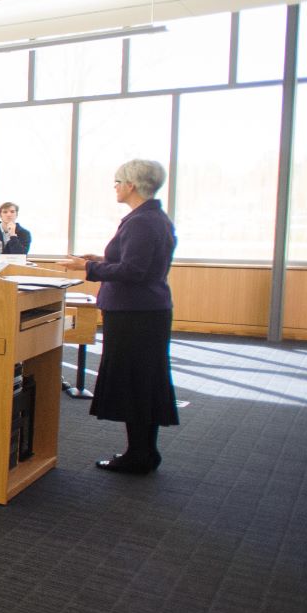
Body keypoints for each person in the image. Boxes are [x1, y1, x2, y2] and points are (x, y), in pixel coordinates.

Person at [57, 159, 178, 474]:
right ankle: (143, 452)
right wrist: (99, 258)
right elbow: (134, 261)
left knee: (135, 383)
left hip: (135, 314)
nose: (114, 186)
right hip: (145, 311)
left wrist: (87, 268)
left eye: (117, 181)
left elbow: (133, 271)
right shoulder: (152, 217)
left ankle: (139, 455)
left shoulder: (141, 221)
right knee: (142, 382)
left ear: (132, 185)